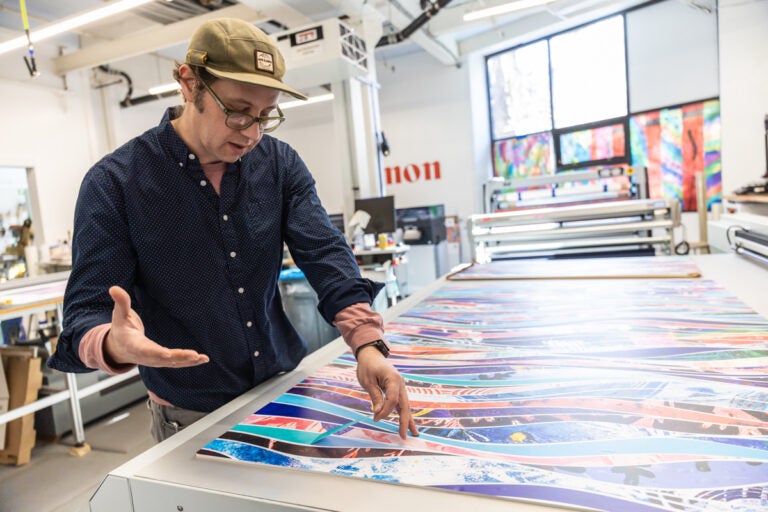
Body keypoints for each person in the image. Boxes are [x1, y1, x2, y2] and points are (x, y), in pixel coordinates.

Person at [48, 18, 417, 443]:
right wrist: (113, 343)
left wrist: (368, 344)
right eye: (239, 112)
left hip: (280, 388)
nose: (253, 133)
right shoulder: (117, 183)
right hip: (188, 413)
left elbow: (326, 255)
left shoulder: (279, 165)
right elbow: (84, 314)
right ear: (189, 84)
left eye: (266, 115)